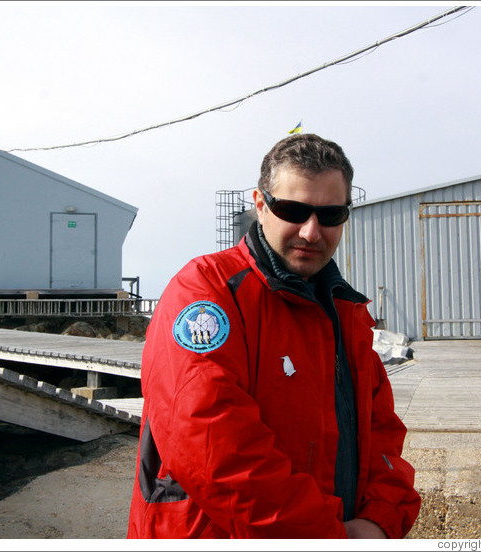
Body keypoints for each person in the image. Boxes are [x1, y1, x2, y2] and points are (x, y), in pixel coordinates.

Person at [128, 133, 421, 539]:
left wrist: (380, 519)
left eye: (331, 215)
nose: (311, 232)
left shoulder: (344, 313)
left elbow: (382, 436)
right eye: (293, 210)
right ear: (260, 205)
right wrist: (328, 538)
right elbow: (213, 449)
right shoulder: (206, 294)